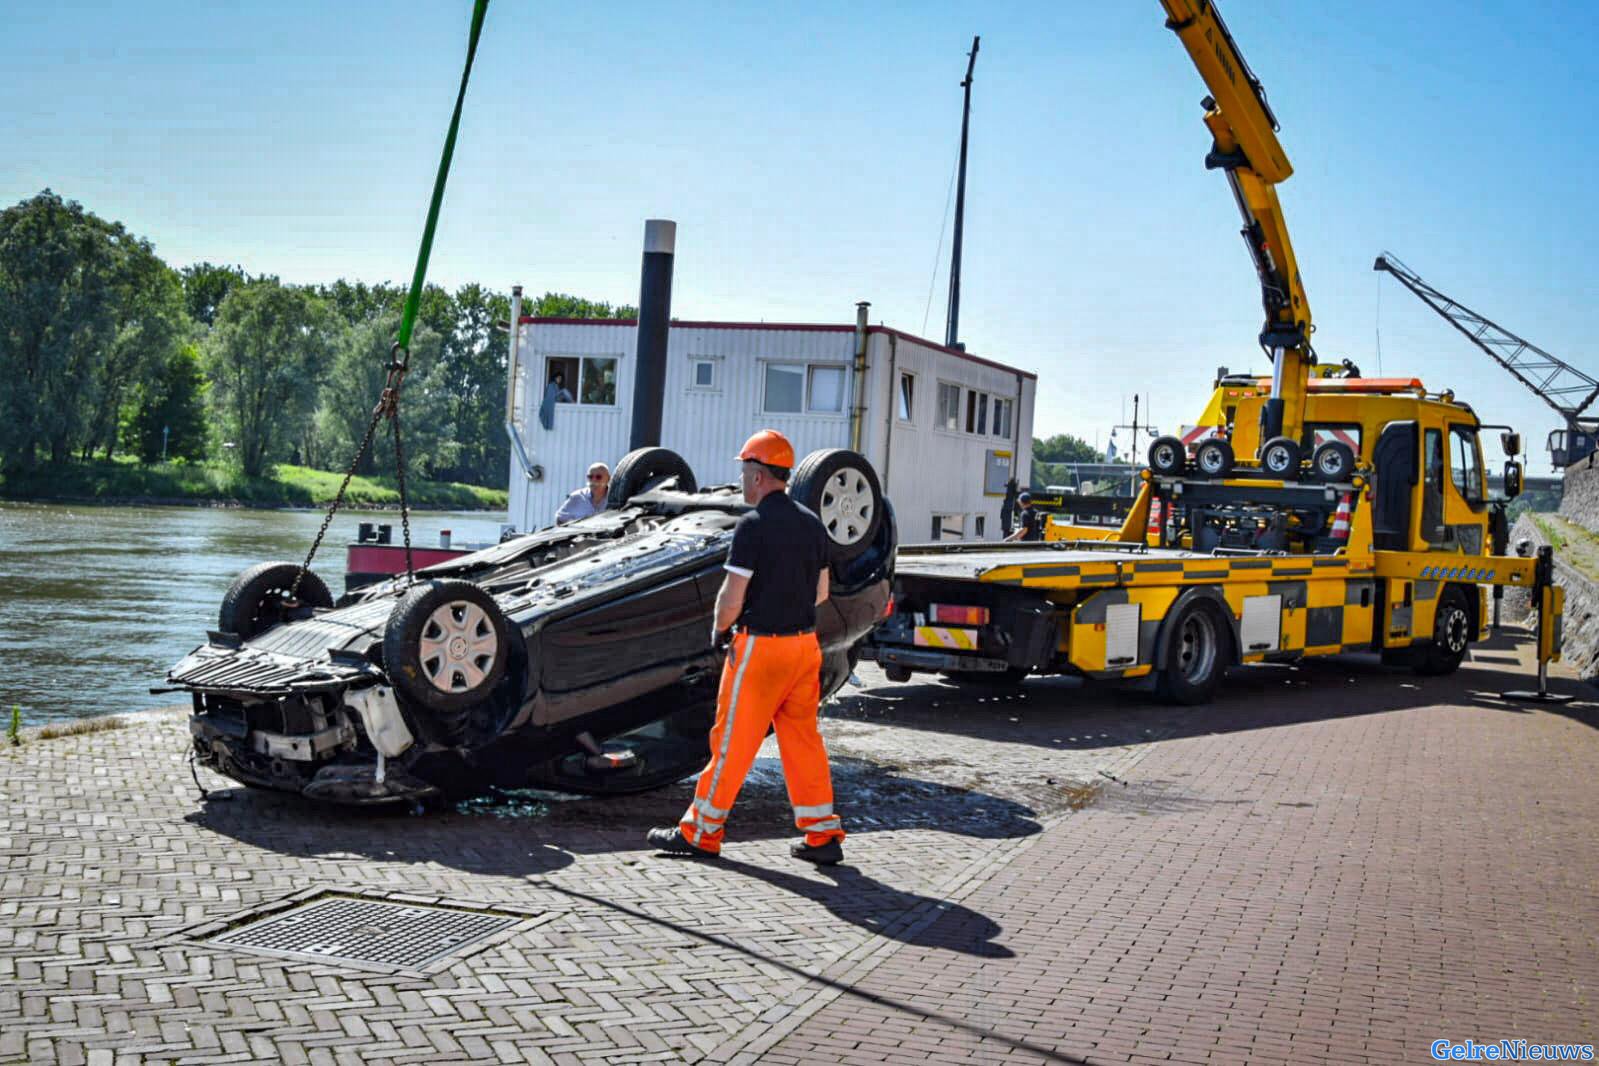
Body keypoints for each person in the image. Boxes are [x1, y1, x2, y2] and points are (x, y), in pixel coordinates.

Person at [647, 429, 845, 865]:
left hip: (762, 650)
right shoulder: (813, 524)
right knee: (803, 742)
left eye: (743, 471)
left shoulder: (752, 525)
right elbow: (822, 592)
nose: (740, 480)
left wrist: (720, 632)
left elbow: (731, 596)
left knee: (731, 742)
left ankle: (701, 832)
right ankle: (823, 836)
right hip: (804, 648)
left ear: (757, 475)